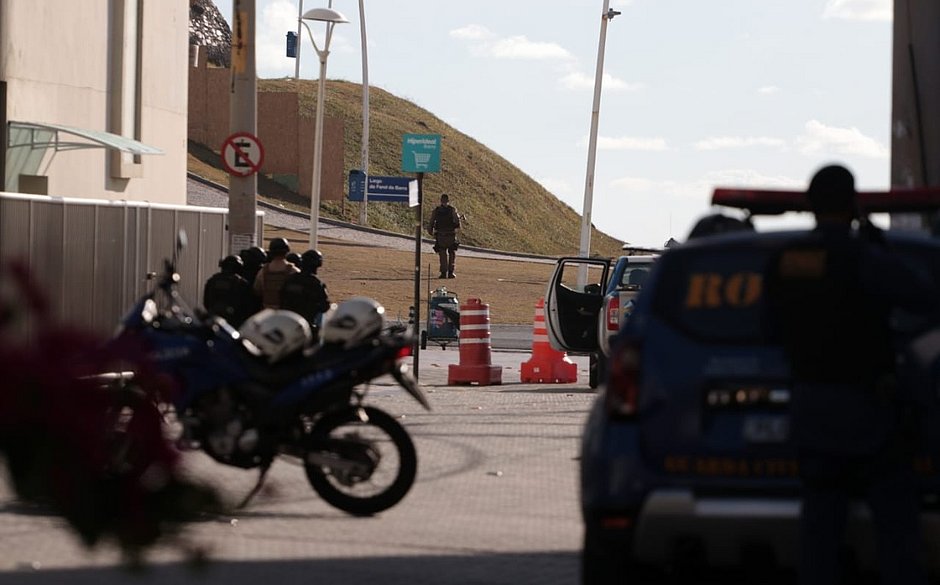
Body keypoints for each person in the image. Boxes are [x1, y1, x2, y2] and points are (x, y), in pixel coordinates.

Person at [764, 164, 936, 585]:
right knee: (896, 532)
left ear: (810, 204)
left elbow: (770, 325)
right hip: (868, 412)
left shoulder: (788, 260)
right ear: (853, 203)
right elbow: (923, 296)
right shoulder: (865, 257)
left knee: (819, 532)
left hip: (811, 408)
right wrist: (880, 246)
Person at [280, 249, 331, 333]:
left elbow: (281, 297)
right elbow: (324, 306)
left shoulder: (290, 279)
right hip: (308, 324)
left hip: (288, 322)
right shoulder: (316, 283)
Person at [202, 255, 256, 328]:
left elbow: (206, 302)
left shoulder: (212, 281)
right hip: (234, 323)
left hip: (214, 319)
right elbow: (248, 306)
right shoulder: (241, 283)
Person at [253, 237, 299, 310]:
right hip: (286, 313)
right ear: (287, 251)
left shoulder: (263, 271)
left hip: (267, 313)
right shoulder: (294, 271)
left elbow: (257, 290)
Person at [428, 193, 460, 279]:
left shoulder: (436, 210)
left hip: (441, 235)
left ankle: (443, 272)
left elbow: (431, 222)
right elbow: (457, 222)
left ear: (441, 201)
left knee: (442, 254)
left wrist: (430, 231)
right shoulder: (452, 210)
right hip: (450, 235)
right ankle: (450, 272)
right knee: (452, 254)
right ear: (448, 201)